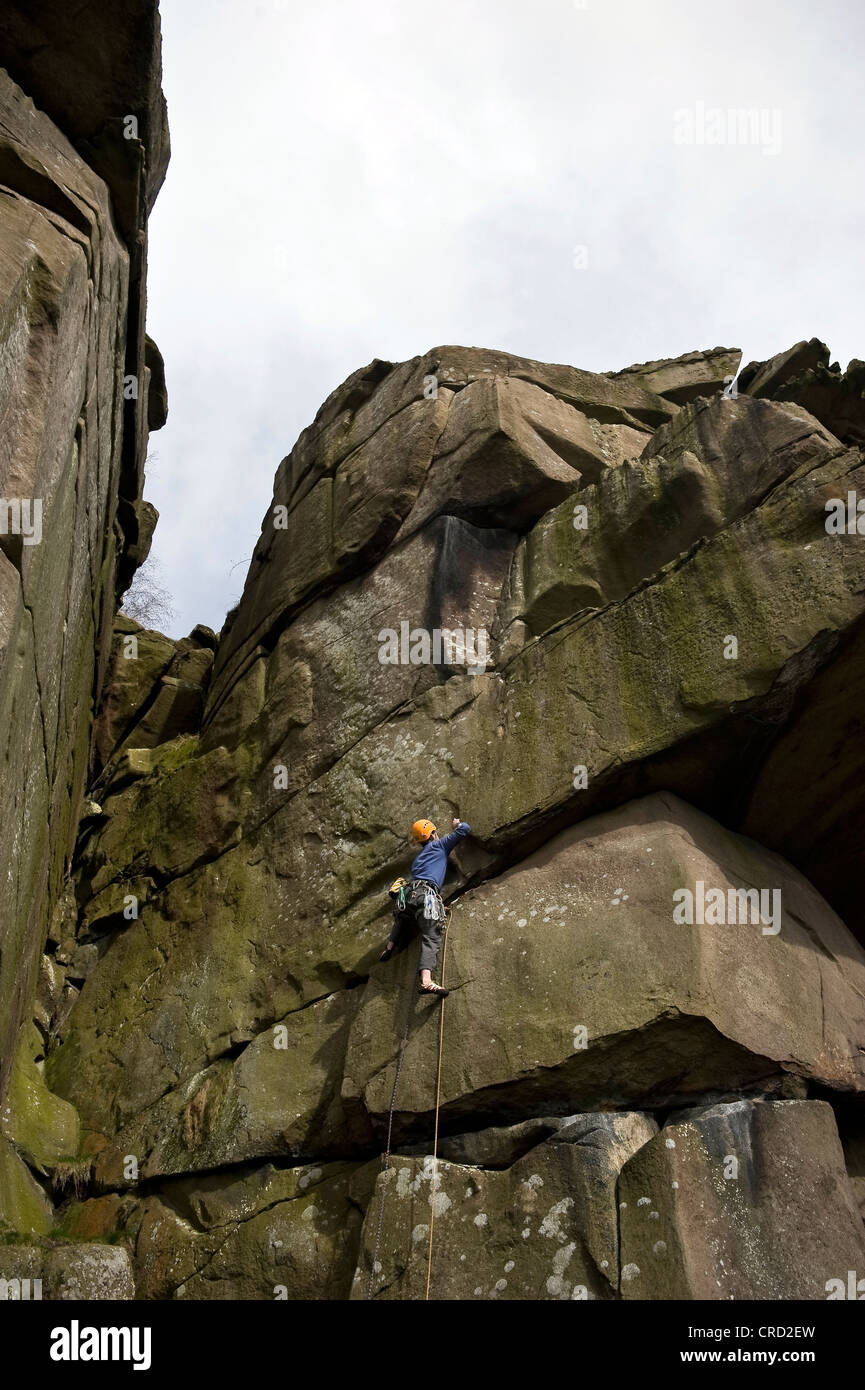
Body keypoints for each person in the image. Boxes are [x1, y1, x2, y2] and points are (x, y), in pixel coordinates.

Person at [380, 816, 471, 996]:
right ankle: (426, 981)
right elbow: (464, 830)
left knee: (403, 917)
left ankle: (390, 946)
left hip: (409, 896)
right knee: (431, 935)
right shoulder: (439, 845)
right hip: (426, 895)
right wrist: (456, 825)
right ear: (432, 834)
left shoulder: (417, 860)